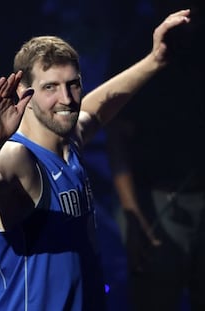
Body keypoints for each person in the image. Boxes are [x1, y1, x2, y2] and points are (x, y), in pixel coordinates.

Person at [0, 9, 191, 311]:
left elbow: (100, 106)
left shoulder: (69, 141)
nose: (67, 98)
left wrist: (155, 60)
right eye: (50, 87)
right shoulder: (17, 156)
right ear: (25, 92)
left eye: (73, 84)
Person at [105, 3, 205, 310]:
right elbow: (116, 137)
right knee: (156, 294)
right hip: (157, 201)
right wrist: (132, 213)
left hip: (198, 194)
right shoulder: (136, 46)